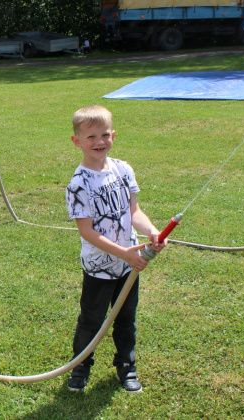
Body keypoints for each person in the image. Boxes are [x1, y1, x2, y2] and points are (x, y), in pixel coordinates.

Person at [65, 105, 167, 393]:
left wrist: (151, 231)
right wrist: (124, 253)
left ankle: (126, 365)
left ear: (113, 136)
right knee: (92, 320)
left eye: (105, 135)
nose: (99, 142)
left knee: (126, 319)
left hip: (129, 264)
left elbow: (134, 210)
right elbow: (87, 232)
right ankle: (81, 366)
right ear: (77, 141)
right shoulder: (78, 184)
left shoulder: (123, 169)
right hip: (100, 266)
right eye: (91, 137)